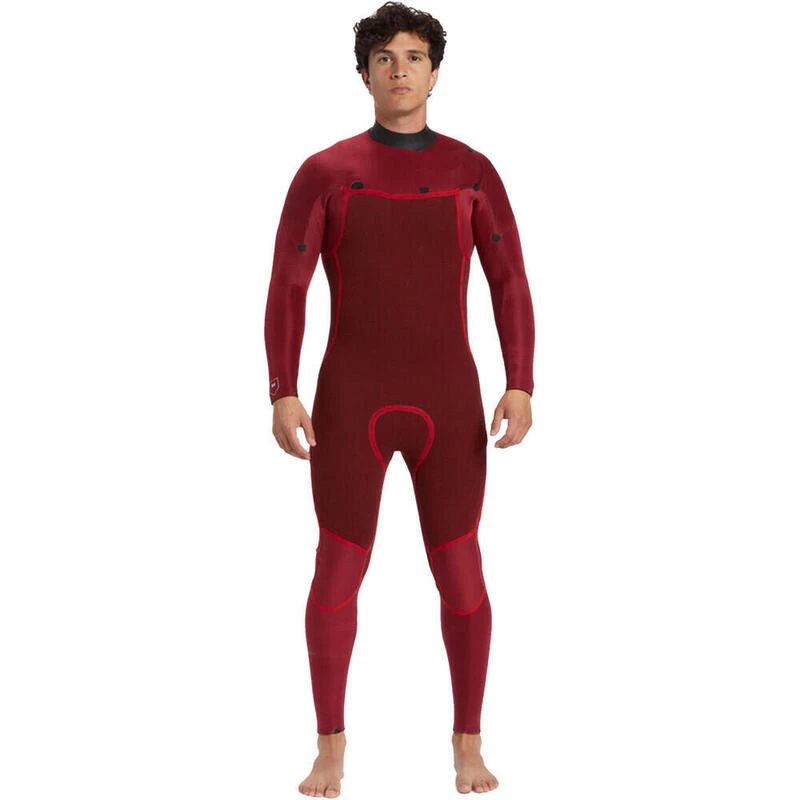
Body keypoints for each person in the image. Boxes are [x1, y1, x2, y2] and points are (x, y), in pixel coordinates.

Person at [264, 2, 535, 795]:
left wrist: (521, 380)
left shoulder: (471, 170)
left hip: (448, 402)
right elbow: (288, 284)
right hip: (351, 398)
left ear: (436, 72)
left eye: (414, 56)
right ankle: (330, 747)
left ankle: (468, 743)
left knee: (462, 574)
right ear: (364, 74)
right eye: (384, 58)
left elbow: (509, 279)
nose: (400, 70)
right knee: (335, 573)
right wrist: (283, 390)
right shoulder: (325, 172)